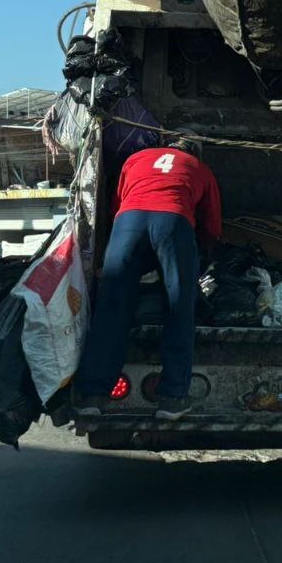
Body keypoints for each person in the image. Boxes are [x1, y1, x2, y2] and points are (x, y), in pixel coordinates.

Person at [73, 131, 221, 419]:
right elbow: (211, 225)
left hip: (128, 222)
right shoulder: (199, 169)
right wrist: (203, 256)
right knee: (179, 309)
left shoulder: (135, 159)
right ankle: (172, 398)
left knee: (112, 305)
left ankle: (92, 395)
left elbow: (117, 204)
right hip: (174, 221)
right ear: (195, 152)